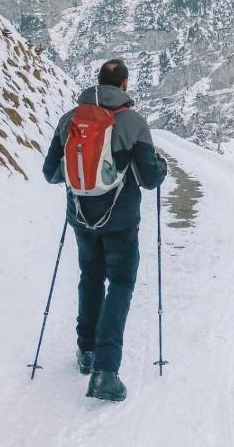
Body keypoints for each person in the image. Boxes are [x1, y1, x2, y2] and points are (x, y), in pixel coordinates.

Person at [43, 58, 167, 402]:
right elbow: (150, 179)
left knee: (91, 277)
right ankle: (106, 371)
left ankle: (87, 351)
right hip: (122, 222)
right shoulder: (133, 122)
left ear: (96, 84)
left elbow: (51, 173)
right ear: (124, 86)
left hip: (81, 219)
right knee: (121, 284)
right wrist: (160, 165)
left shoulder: (70, 119)